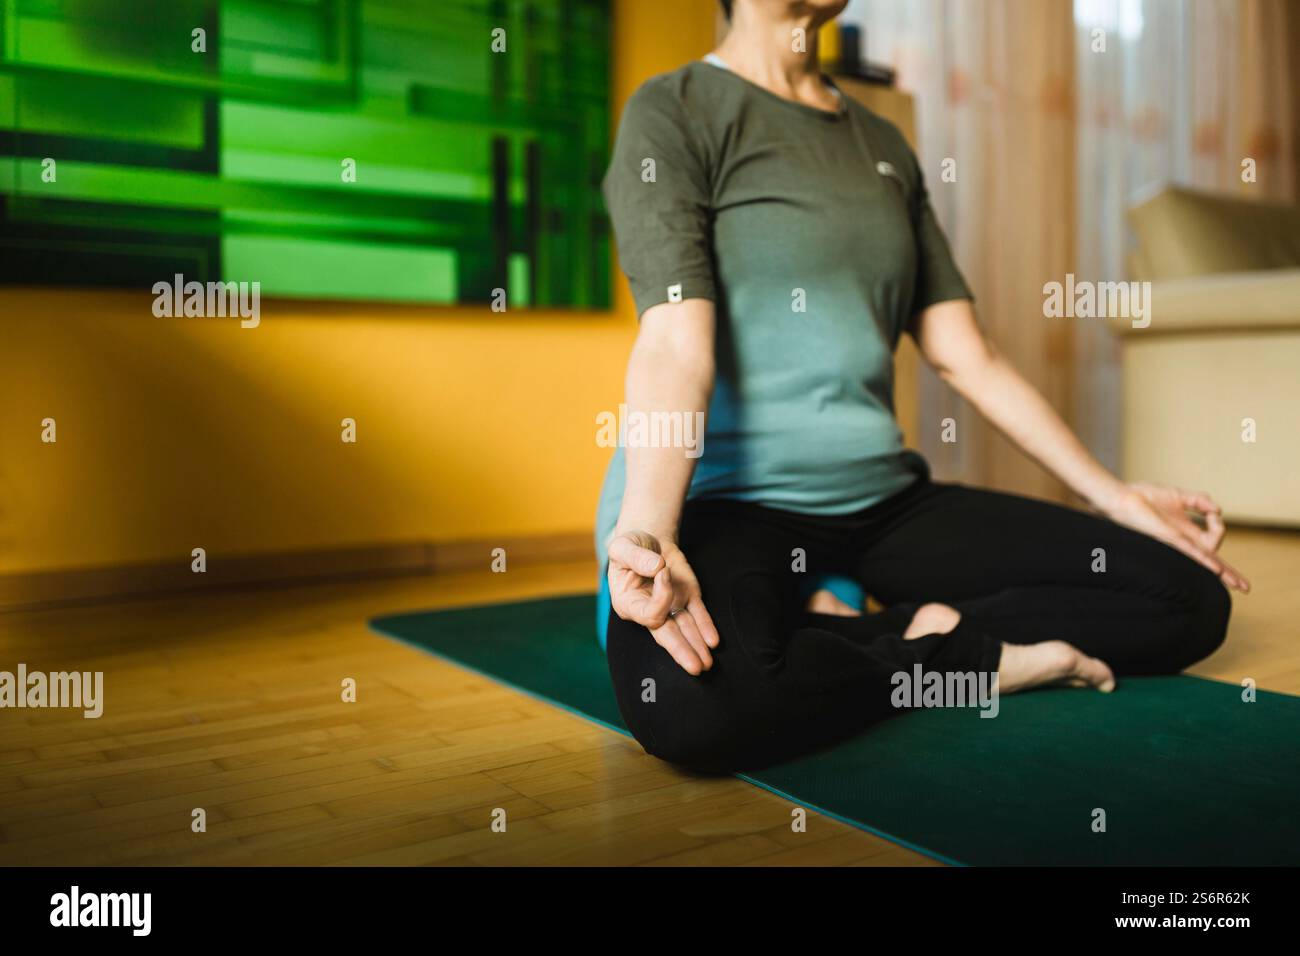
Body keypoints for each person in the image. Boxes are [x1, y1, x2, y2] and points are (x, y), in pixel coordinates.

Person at [595, 0, 1245, 773]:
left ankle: (886, 633)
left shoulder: (883, 143)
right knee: (694, 707)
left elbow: (968, 355)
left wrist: (1116, 497)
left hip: (884, 503)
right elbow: (674, 342)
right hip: (731, 503)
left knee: (1187, 599)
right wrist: (650, 536)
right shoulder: (675, 110)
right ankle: (951, 659)